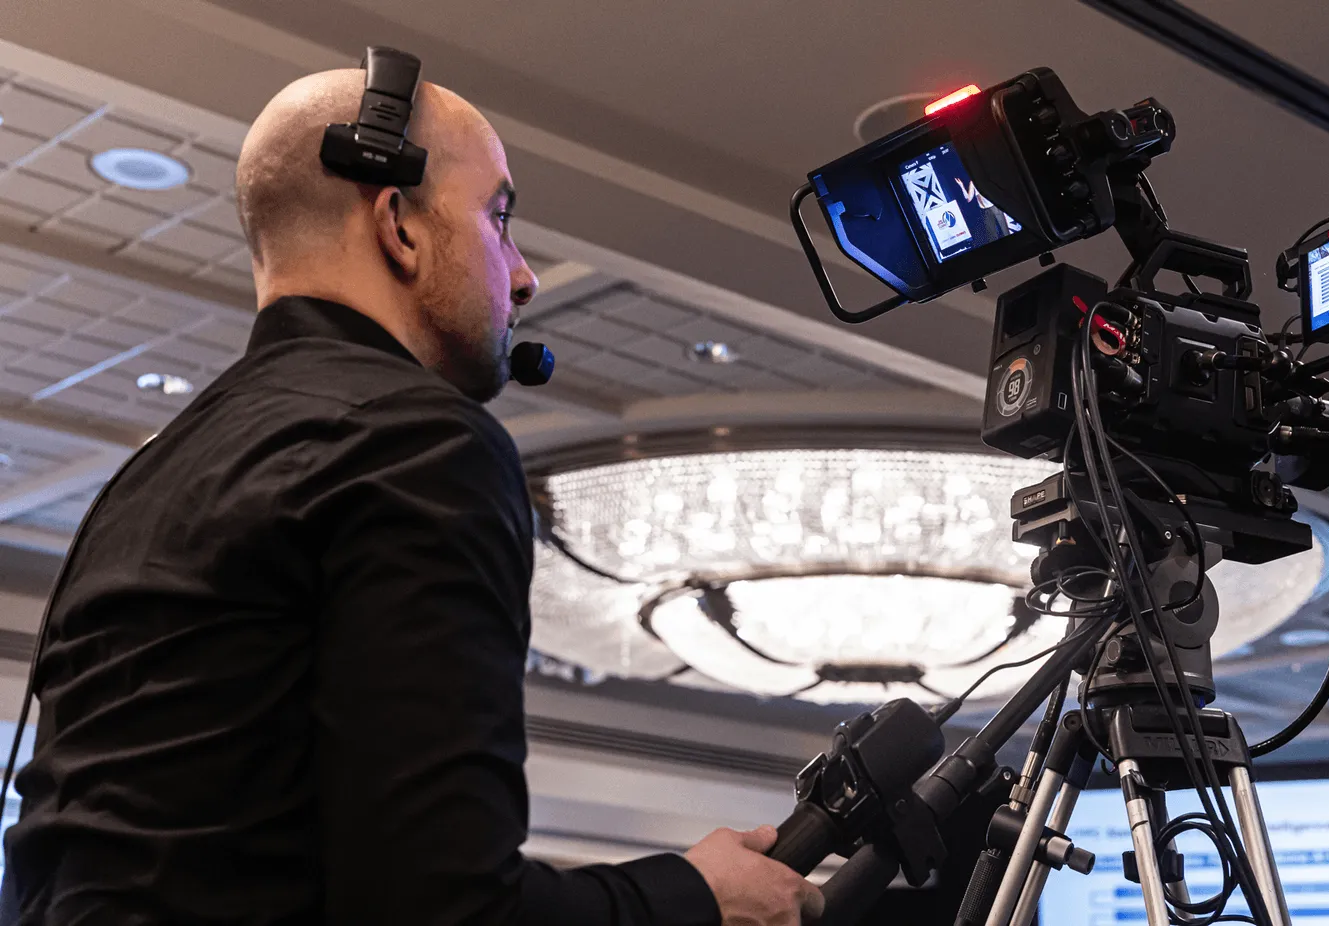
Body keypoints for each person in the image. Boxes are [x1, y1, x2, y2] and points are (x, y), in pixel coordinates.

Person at [0, 66, 824, 926]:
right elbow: (440, 907)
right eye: (499, 220)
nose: (525, 274)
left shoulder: (148, 477)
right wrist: (693, 897)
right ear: (398, 224)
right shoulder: (415, 441)